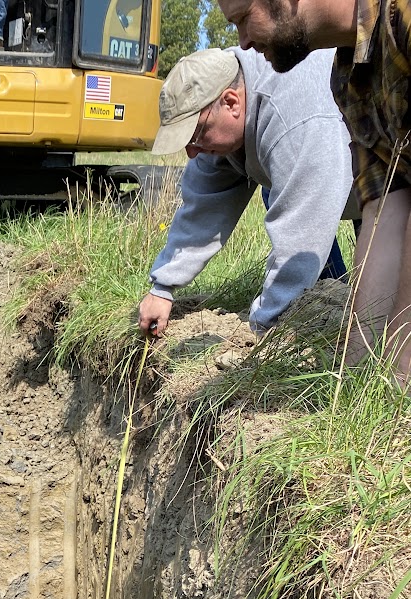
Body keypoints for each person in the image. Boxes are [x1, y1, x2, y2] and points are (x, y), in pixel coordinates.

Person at [217, 0, 411, 380]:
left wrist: (402, 372)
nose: (241, 42)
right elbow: (385, 209)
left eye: (243, 18)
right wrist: (356, 384)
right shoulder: (350, 77)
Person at [138, 47, 354, 340]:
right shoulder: (222, 110)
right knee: (274, 187)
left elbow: (303, 231)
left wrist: (264, 325)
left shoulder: (292, 118)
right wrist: (162, 288)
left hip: (390, 173)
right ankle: (329, 305)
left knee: (385, 300)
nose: (191, 152)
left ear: (231, 102)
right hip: (331, 168)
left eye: (196, 134)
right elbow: (202, 208)